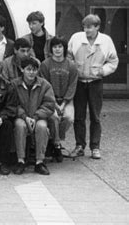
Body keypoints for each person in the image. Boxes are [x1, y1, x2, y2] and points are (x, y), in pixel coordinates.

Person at [68, 14, 119, 159]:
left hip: (95, 83)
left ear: (97, 27)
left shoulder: (106, 41)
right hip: (79, 82)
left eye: (89, 27)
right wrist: (73, 70)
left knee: (95, 116)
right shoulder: (76, 38)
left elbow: (113, 61)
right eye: (84, 27)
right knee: (79, 116)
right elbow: (68, 56)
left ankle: (95, 147)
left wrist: (103, 71)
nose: (86, 30)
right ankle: (79, 145)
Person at [12, 57, 55, 175]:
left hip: (39, 117)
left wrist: (36, 117)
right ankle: (20, 160)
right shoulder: (15, 84)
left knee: (41, 127)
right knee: (19, 126)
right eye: (28, 69)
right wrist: (24, 116)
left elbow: (49, 104)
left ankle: (39, 162)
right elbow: (13, 104)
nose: (31, 72)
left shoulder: (45, 85)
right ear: (22, 69)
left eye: (34, 70)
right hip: (22, 117)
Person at [39, 37, 78, 162]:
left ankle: (56, 139)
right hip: (50, 100)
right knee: (54, 117)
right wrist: (55, 104)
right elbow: (45, 84)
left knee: (69, 117)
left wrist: (65, 103)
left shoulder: (71, 66)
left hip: (66, 100)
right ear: (51, 49)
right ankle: (56, 145)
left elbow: (72, 86)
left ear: (64, 49)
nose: (57, 49)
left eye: (60, 47)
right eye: (55, 47)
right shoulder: (45, 64)